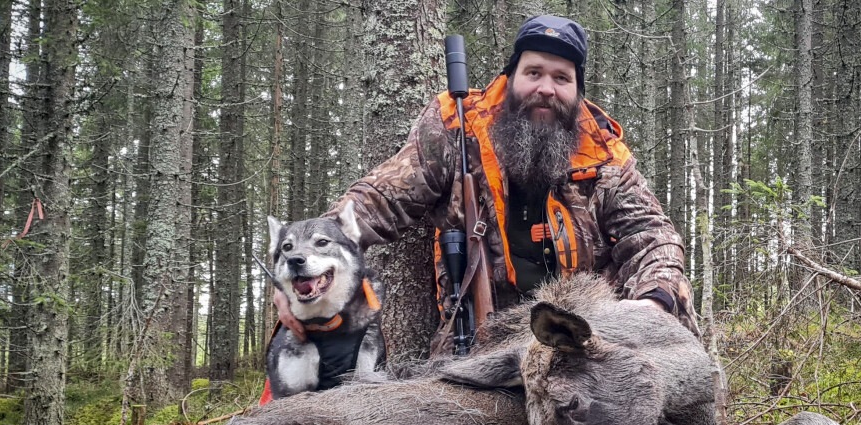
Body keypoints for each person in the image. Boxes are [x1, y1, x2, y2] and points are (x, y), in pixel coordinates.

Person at [276, 15, 700, 351]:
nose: (546, 89)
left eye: (561, 77)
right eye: (534, 72)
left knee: (668, 310)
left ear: (577, 90)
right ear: (512, 76)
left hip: (588, 329)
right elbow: (380, 199)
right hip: (486, 333)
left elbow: (652, 233)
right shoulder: (459, 127)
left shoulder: (603, 152)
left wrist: (651, 302)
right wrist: (309, 266)